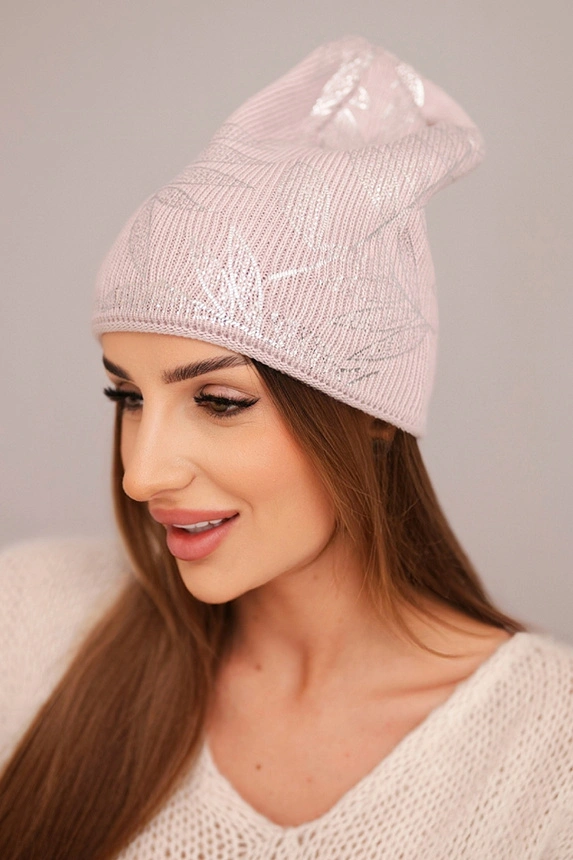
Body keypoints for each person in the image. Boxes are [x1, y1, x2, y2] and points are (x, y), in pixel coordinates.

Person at [0, 35, 571, 860]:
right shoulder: (30, 621)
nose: (141, 474)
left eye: (219, 401)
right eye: (127, 396)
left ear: (371, 413)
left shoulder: (548, 751)